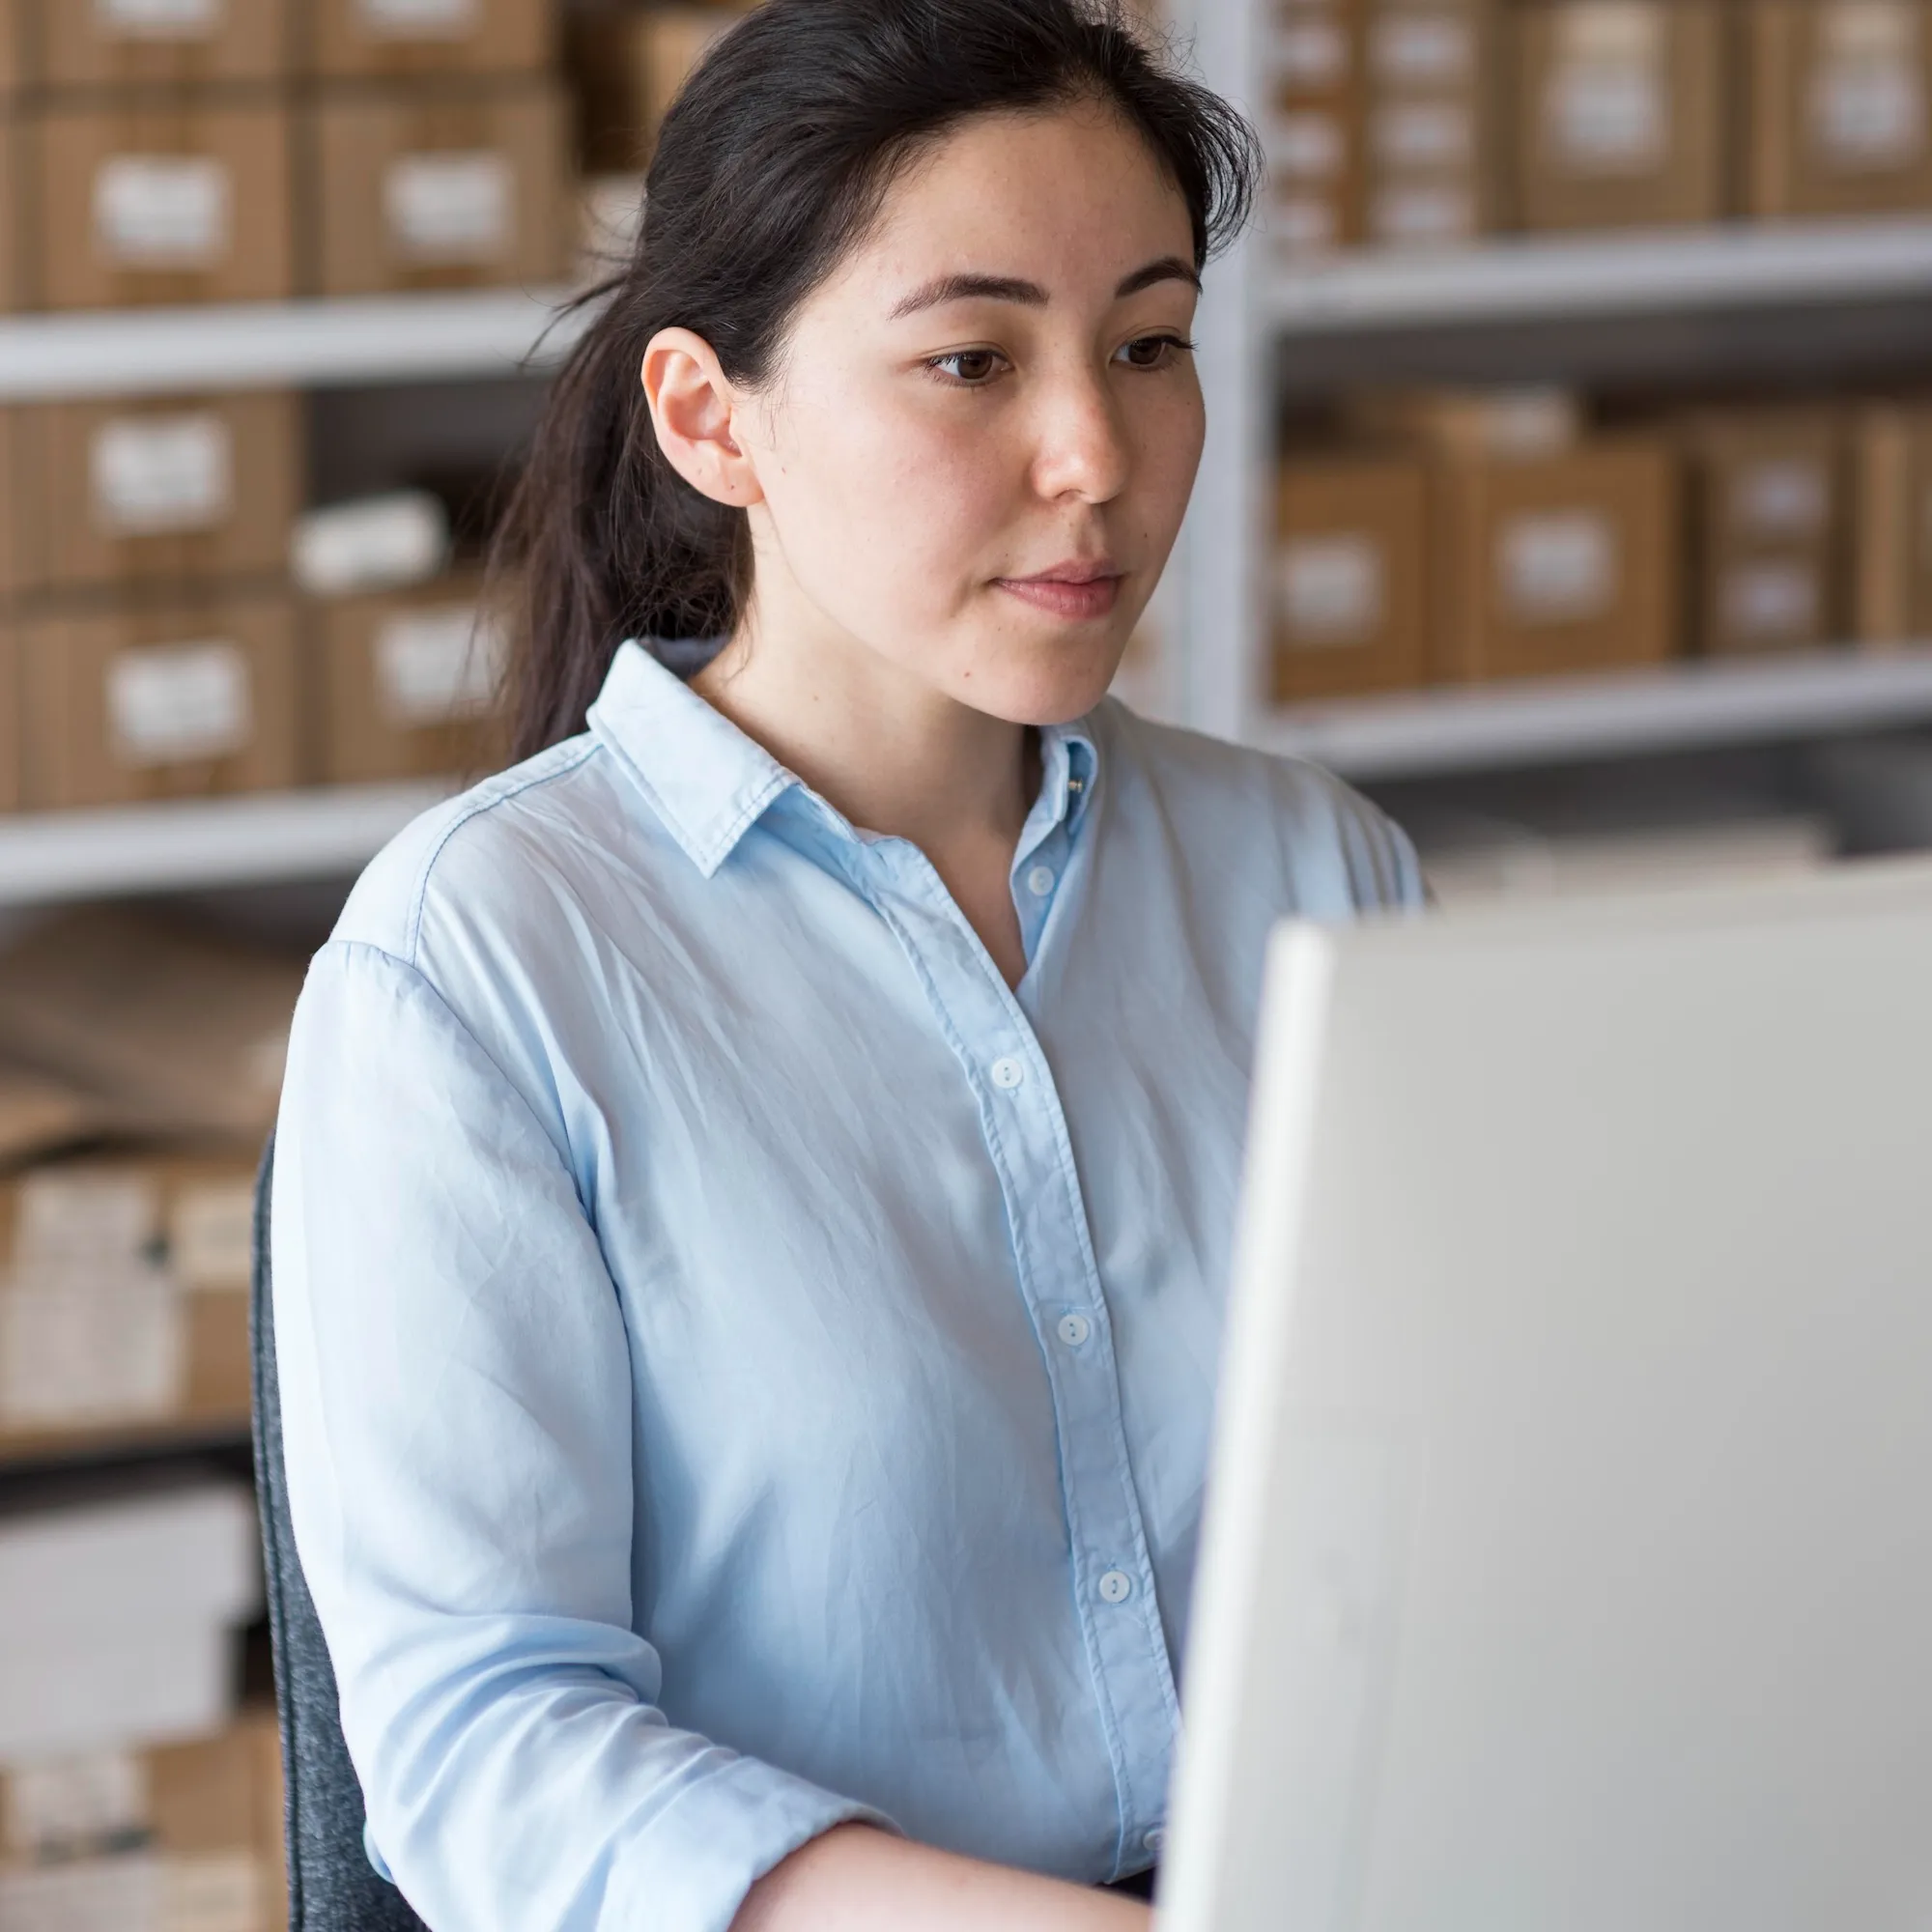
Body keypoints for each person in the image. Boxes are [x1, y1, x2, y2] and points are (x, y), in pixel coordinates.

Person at [270, 2, 1423, 1927]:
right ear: (710, 418)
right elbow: (492, 1757)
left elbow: (1464, 1503)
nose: (1096, 453)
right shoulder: (476, 966)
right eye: (972, 359)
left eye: (1148, 345)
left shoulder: (1320, 876)